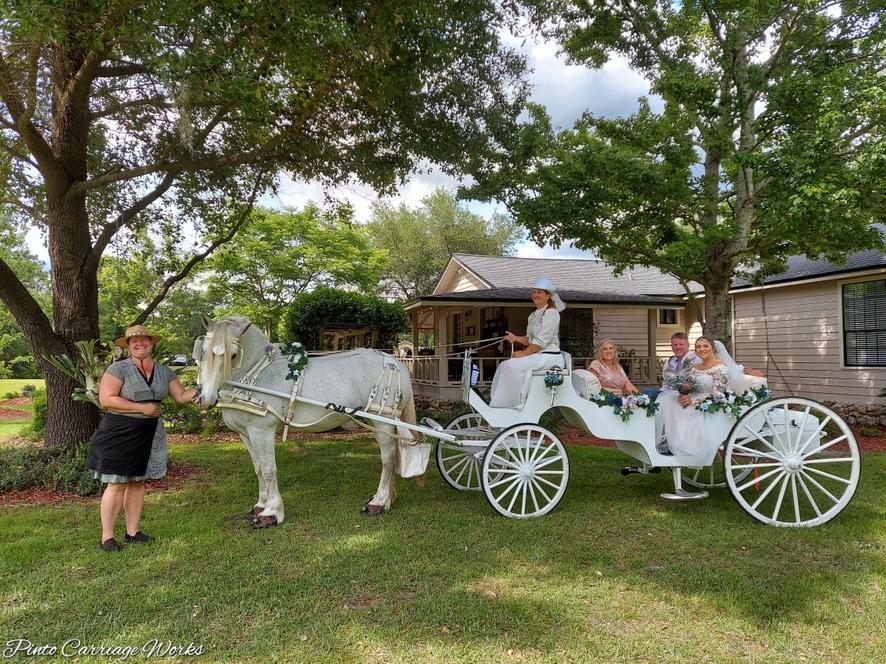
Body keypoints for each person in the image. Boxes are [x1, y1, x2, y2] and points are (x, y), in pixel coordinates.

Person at [86, 325, 198, 552]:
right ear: (127, 345)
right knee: (116, 484)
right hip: (120, 431)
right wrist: (143, 408)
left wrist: (206, 390)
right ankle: (107, 538)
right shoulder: (118, 369)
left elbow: (181, 396)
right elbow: (107, 399)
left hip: (150, 433)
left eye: (144, 340)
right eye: (133, 341)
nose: (139, 344)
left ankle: (132, 532)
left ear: (151, 343)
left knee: (137, 482)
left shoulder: (164, 371)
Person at [489, 278, 565, 408]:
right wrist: (515, 338)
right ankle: (500, 402)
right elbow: (529, 339)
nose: (535, 295)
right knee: (504, 365)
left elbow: (540, 343)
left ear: (548, 295)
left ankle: (516, 402)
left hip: (550, 356)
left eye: (539, 292)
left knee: (511, 366)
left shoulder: (552, 313)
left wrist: (523, 353)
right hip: (538, 355)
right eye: (534, 292)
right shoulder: (533, 315)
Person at [657, 336, 734, 458]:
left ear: (712, 348)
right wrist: (683, 394)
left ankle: (679, 445)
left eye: (705, 346)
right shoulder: (696, 367)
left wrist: (692, 400)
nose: (701, 349)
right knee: (670, 401)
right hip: (692, 398)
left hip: (712, 402)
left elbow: (718, 394)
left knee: (680, 410)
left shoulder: (721, 368)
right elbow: (688, 385)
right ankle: (668, 441)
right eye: (698, 347)